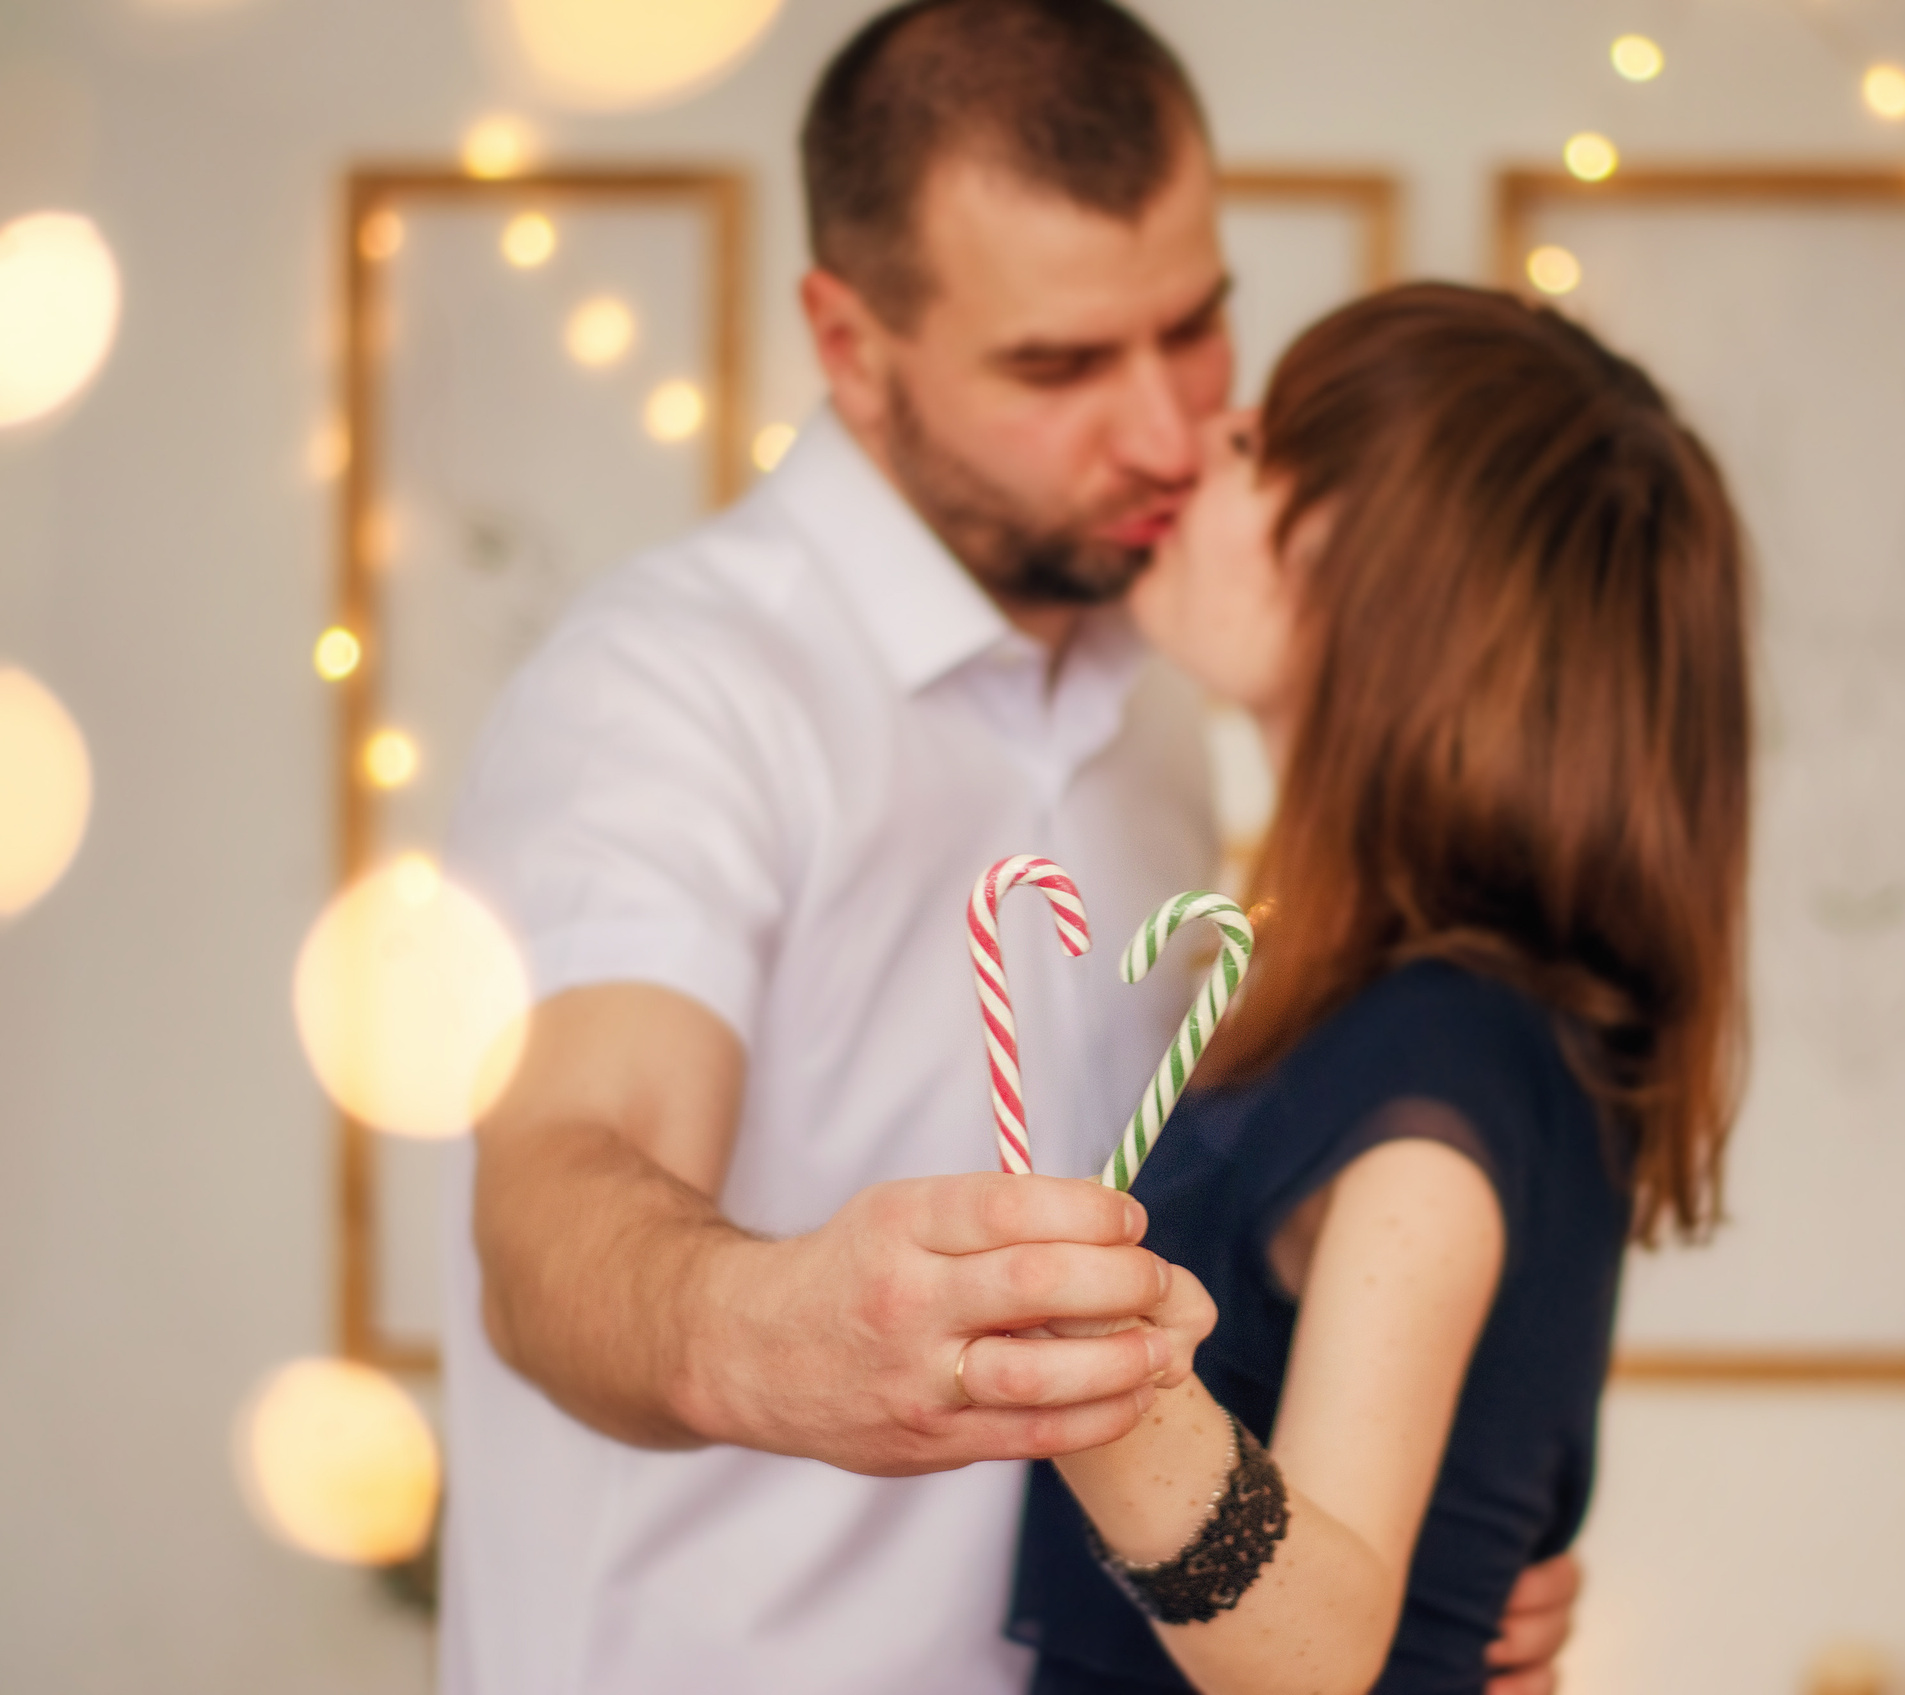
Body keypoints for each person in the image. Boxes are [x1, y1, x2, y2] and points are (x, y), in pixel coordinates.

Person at [438, 2, 1576, 1691]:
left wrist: (1414, 1551)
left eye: (1193, 328)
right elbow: (557, 1210)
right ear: (850, 343)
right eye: (1056, 367)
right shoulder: (670, 694)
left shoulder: (1162, 687)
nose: (1167, 432)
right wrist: (781, 1330)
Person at [1007, 283, 1753, 1693]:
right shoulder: (1406, 1010)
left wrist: (1082, 1364)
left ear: (1378, 581)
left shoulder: (1439, 1064)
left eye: (1266, 446)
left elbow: (1312, 1664)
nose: (1205, 434)